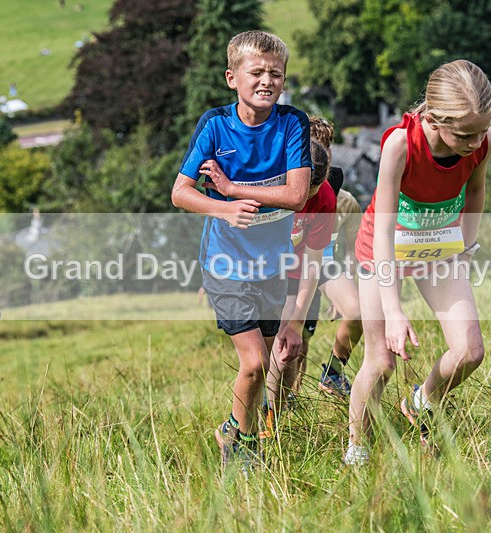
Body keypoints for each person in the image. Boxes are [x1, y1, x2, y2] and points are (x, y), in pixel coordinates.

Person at [344, 60, 491, 466]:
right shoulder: (400, 145)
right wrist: (394, 310)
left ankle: (422, 401)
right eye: (464, 134)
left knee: (470, 351)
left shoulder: (484, 140)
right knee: (380, 362)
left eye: (482, 130)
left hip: (438, 248)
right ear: (433, 118)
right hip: (383, 249)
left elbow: (475, 192)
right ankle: (357, 451)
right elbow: (383, 231)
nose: (475, 142)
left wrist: (465, 249)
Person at [171, 30, 311, 471]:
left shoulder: (292, 123)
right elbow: (180, 193)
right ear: (232, 77)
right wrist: (223, 208)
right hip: (226, 264)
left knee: (265, 364)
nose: (267, 80)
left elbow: (297, 196)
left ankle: (233, 428)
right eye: (257, 72)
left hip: (273, 265)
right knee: (253, 363)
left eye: (276, 73)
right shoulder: (215, 125)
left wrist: (233, 189)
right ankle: (244, 446)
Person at [264, 140, 335, 431]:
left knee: (286, 351)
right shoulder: (266, 183)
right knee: (260, 356)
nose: (303, 199)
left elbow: (313, 264)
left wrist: (296, 320)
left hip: (294, 277)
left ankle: (272, 422)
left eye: (311, 192)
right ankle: (254, 415)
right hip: (258, 273)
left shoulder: (326, 199)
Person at [303, 116, 364, 398]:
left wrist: (346, 286)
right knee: (298, 343)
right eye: (315, 145)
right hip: (292, 264)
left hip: (325, 264)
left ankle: (334, 373)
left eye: (326, 146)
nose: (322, 153)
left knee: (357, 311)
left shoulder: (345, 201)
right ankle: (286, 403)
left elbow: (352, 249)